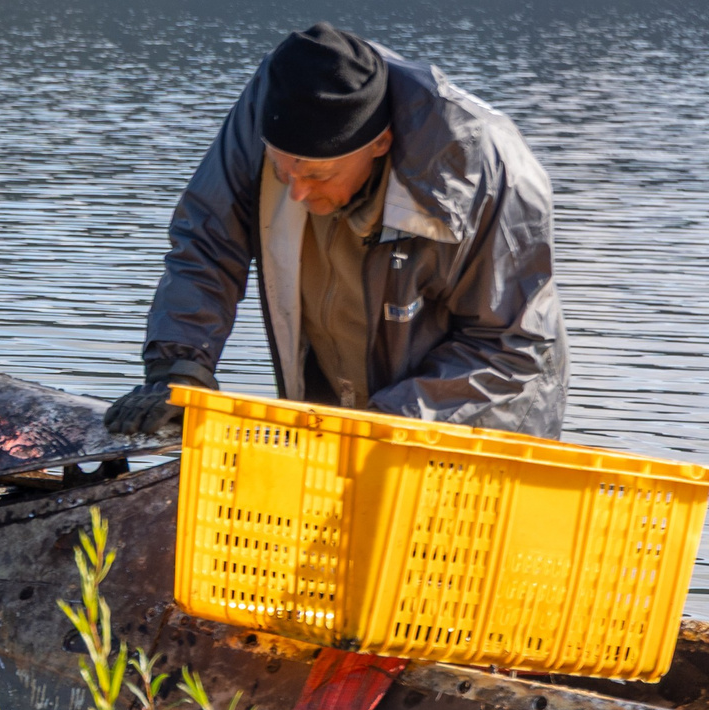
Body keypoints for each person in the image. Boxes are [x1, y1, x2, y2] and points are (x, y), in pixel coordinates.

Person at [103, 22, 566, 441]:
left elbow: (510, 347)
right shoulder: (277, 99)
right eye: (284, 174)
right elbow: (207, 241)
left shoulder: (488, 170)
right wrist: (180, 369)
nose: (298, 195)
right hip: (340, 403)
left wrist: (376, 425)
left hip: (481, 423)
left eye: (318, 177)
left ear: (380, 143)